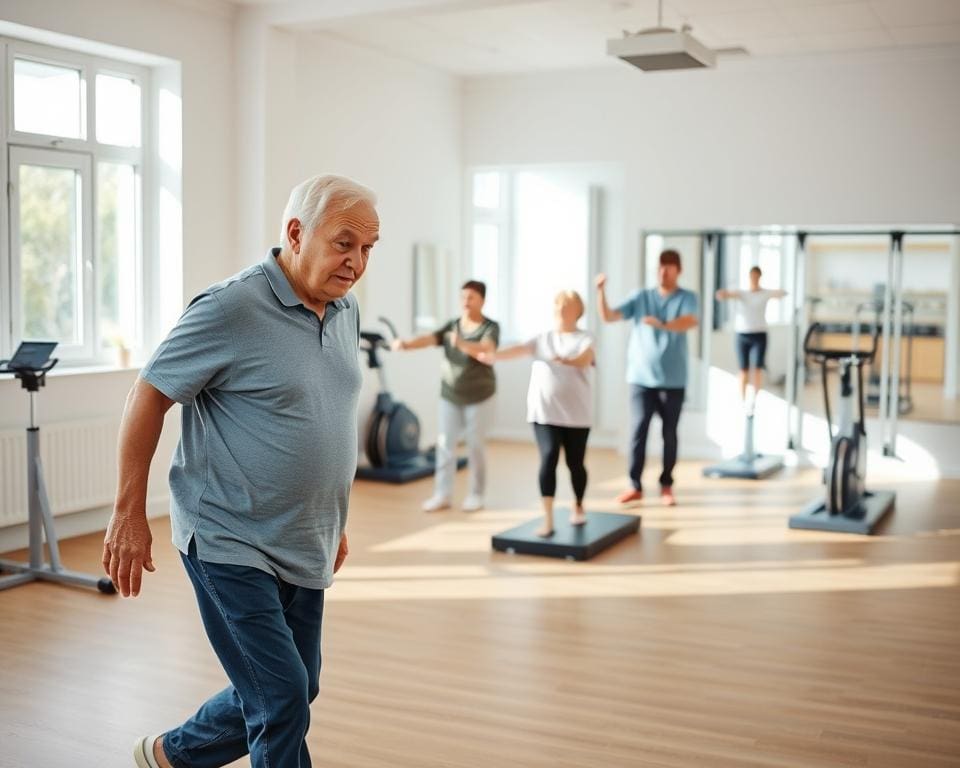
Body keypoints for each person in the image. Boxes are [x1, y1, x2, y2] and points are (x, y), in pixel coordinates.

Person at [103, 174, 380, 768]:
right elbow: (148, 395)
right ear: (296, 233)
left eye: (367, 249)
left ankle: (172, 754)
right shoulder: (231, 307)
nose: (356, 262)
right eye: (344, 243)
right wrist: (128, 511)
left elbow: (323, 414)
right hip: (230, 537)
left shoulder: (345, 309)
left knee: (296, 686)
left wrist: (335, 517)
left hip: (304, 535)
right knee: (281, 698)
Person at [481, 290, 595, 537]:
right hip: (543, 413)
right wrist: (493, 357)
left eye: (566, 306)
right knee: (549, 456)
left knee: (575, 464)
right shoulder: (543, 338)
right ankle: (548, 518)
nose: (561, 310)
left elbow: (586, 358)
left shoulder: (584, 337)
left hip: (577, 415)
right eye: (558, 306)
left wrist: (567, 360)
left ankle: (578, 504)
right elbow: (519, 349)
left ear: (578, 311)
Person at [596, 249, 698, 507]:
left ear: (678, 270)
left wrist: (662, 325)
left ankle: (666, 484)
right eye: (660, 267)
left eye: (669, 267)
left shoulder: (687, 298)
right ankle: (634, 485)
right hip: (641, 379)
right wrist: (600, 291)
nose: (663, 272)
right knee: (638, 431)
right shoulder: (641, 297)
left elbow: (688, 321)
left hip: (673, 380)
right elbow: (609, 316)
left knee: (669, 434)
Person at [392, 281, 499, 512]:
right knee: (445, 446)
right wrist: (406, 345)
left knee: (475, 446)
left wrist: (461, 343)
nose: (465, 302)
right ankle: (443, 494)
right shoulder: (452, 326)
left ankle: (476, 494)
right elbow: (430, 339)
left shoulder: (490, 327)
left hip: (480, 395)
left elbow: (486, 349)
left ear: (482, 300)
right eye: (463, 297)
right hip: (450, 394)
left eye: (471, 297)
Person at [715, 266, 787, 408]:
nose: (754, 278)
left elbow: (782, 293)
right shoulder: (742, 293)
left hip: (759, 335)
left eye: (756, 276)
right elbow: (725, 295)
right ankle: (743, 401)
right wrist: (723, 294)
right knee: (743, 369)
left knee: (757, 368)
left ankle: (754, 400)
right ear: (749, 277)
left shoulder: (765, 293)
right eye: (751, 276)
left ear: (759, 277)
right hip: (742, 335)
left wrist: (780, 292)